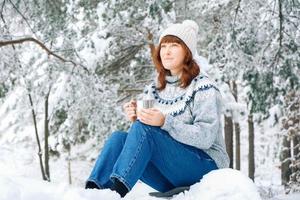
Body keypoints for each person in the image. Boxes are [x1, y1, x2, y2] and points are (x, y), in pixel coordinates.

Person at [85, 20, 229, 198]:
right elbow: (145, 132)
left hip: (206, 167)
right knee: (118, 139)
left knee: (144, 130)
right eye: (163, 46)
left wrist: (165, 122)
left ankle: (116, 194)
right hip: (171, 173)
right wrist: (136, 116)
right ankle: (95, 192)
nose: (166, 51)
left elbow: (205, 137)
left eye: (174, 45)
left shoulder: (204, 87)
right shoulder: (155, 89)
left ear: (187, 52)